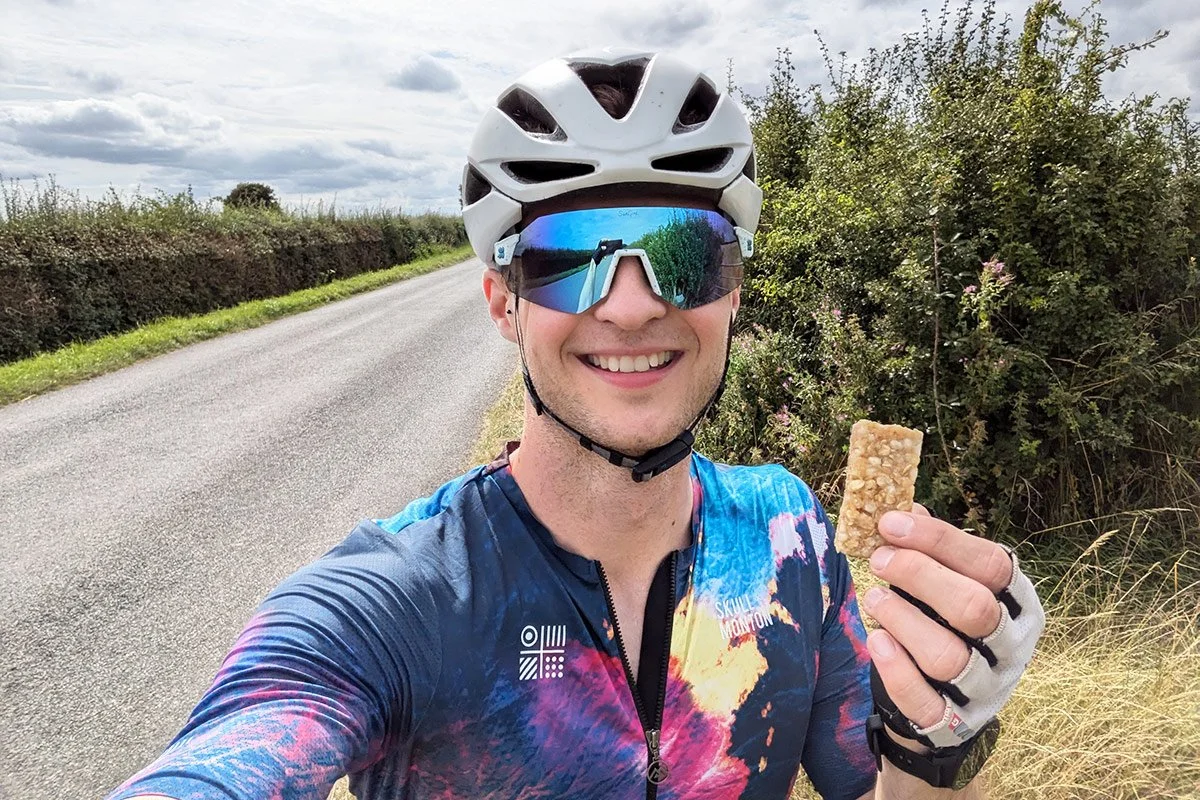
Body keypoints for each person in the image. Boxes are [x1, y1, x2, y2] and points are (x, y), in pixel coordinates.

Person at [107, 47, 1045, 800]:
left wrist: (935, 739)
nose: (632, 308)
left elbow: (869, 783)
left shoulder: (790, 534)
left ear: (735, 291)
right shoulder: (397, 604)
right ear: (502, 302)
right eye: (566, 257)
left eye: (687, 251)